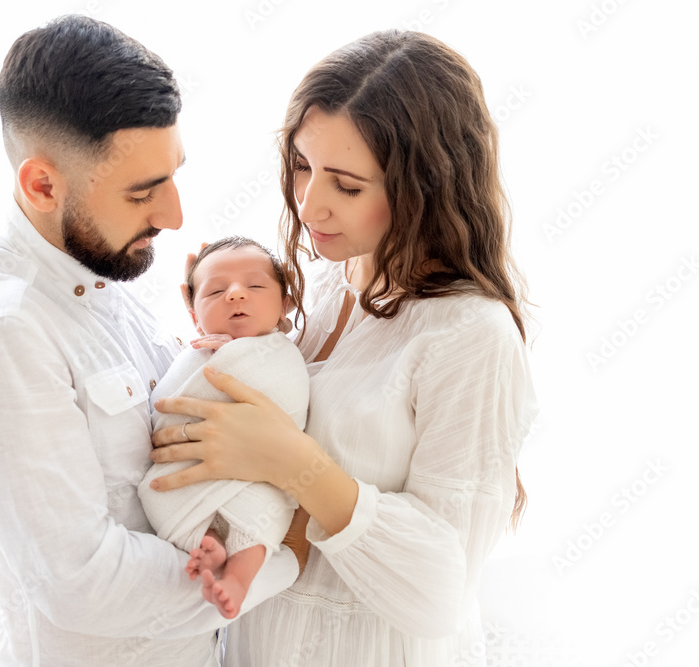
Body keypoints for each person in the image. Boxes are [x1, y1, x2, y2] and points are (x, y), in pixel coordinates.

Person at [147, 29, 539, 666]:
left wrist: (295, 463)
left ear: (424, 189)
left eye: (347, 187)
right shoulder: (317, 293)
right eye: (302, 166)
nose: (309, 205)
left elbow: (439, 591)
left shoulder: (469, 335)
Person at [0, 15, 297, 667]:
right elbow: (84, 582)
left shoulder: (107, 282)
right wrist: (289, 547)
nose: (176, 216)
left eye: (174, 175)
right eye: (143, 191)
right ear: (43, 185)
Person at [138, 237, 310, 620]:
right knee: (158, 494)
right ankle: (207, 543)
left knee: (263, 515)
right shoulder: (194, 350)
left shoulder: (281, 354)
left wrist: (234, 358)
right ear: (194, 313)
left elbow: (287, 404)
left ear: (285, 303)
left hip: (258, 478)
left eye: (255, 286)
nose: (235, 294)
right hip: (189, 468)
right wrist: (212, 354)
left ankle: (239, 577)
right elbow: (165, 404)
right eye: (215, 291)